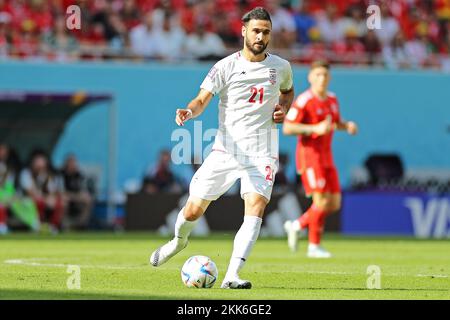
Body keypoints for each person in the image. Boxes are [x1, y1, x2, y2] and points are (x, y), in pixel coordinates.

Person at [150, 7, 294, 289]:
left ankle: (232, 276)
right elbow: (202, 99)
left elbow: (287, 92)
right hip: (226, 150)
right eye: (256, 30)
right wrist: (189, 112)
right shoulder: (225, 66)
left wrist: (284, 109)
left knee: (256, 205)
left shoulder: (281, 67)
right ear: (243, 31)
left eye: (265, 31)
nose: (260, 36)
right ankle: (178, 241)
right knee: (192, 211)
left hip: (262, 151)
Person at [283, 60, 358, 258]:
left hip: (326, 156)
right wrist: (313, 129)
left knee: (334, 203)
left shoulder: (332, 99)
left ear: (329, 78)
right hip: (309, 156)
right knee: (321, 201)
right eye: (318, 75)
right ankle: (314, 246)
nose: (322, 79)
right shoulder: (304, 100)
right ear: (310, 77)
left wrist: (346, 126)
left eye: (325, 75)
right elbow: (288, 128)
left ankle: (297, 225)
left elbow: (334, 123)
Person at [20, 150, 65, 234]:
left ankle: (53, 227)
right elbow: (30, 192)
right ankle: (38, 226)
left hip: (44, 199)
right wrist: (45, 198)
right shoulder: (26, 173)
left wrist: (50, 198)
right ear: (33, 163)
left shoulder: (47, 175)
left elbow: (52, 192)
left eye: (42, 164)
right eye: (37, 164)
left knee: (60, 202)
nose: (39, 167)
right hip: (27, 201)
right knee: (38, 201)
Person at [61, 154, 93, 230]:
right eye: (70, 162)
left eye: (74, 162)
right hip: (65, 198)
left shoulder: (79, 175)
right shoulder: (61, 174)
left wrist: (76, 196)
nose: (72, 165)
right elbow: (60, 192)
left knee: (88, 199)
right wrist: (73, 196)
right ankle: (64, 225)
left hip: (75, 198)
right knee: (63, 200)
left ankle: (80, 225)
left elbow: (84, 191)